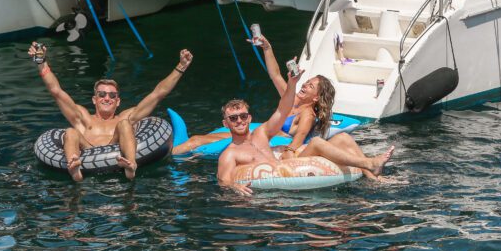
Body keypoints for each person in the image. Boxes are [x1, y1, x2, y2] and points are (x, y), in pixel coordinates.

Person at [28, 42, 193, 181]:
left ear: (118, 101)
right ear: (94, 99)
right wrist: (41, 61)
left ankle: (131, 165)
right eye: (102, 94)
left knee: (124, 124)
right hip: (87, 154)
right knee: (70, 132)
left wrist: (181, 67)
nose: (107, 98)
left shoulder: (126, 116)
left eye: (112, 95)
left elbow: (158, 94)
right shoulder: (83, 119)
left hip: (119, 156)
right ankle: (74, 169)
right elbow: (56, 91)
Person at [217, 68, 394, 196]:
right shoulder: (230, 154)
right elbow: (224, 181)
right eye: (233, 118)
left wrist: (292, 83)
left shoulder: (262, 133)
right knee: (316, 143)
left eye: (243, 116)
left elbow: (282, 109)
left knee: (343, 138)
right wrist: (235, 187)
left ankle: (372, 175)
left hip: (290, 172)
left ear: (249, 118)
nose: (239, 121)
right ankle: (369, 164)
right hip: (273, 196)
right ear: (226, 123)